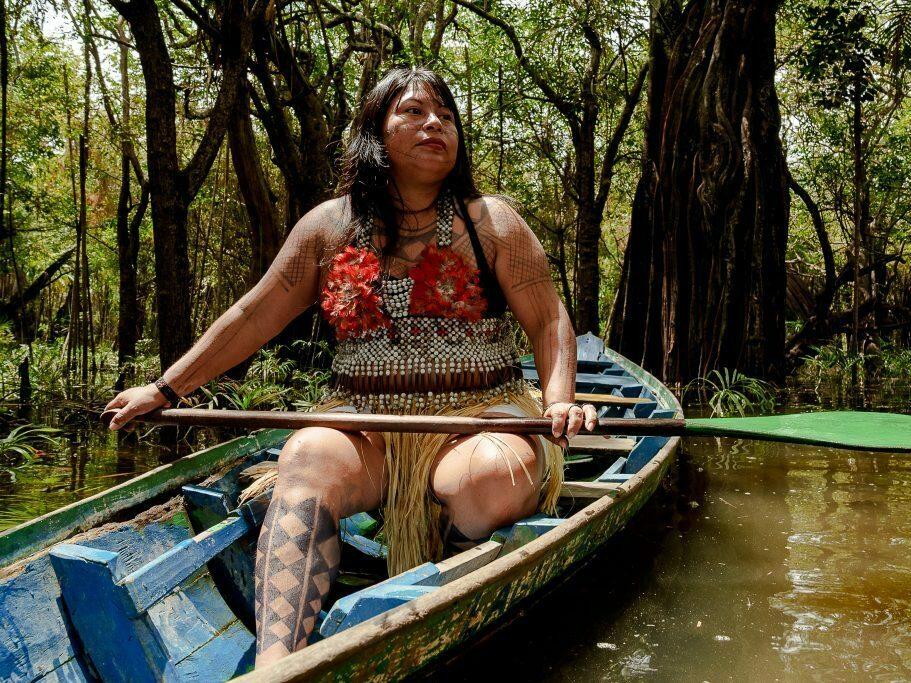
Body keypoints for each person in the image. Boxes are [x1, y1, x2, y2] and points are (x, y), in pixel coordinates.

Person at [105, 66, 597, 667]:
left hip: (479, 420)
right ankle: (278, 668)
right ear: (375, 131)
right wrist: (165, 386)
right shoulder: (327, 228)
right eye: (412, 112)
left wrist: (560, 400)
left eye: (444, 114)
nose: (434, 123)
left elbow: (549, 321)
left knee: (479, 484)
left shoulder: (492, 222)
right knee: (304, 459)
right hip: (363, 424)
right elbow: (254, 315)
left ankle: (433, 611)